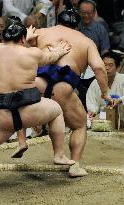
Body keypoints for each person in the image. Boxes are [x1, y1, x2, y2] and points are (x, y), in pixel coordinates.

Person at [0, 21, 74, 196]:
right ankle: (58, 154)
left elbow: (11, 50)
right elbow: (50, 57)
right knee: (56, 110)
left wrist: (22, 38)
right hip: (30, 110)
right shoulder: (32, 54)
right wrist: (59, 50)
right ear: (22, 39)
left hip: (2, 115)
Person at [24, 9, 113, 177]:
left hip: (36, 83)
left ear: (58, 21)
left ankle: (21, 139)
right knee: (79, 125)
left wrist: (28, 41)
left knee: (36, 115)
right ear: (77, 26)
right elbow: (100, 68)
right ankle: (75, 165)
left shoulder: (42, 32)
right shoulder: (86, 41)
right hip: (62, 89)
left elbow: (18, 51)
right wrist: (105, 93)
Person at [86, 50, 124, 126]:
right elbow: (92, 105)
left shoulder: (122, 79)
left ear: (117, 67)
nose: (106, 68)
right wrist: (92, 112)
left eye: (110, 65)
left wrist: (120, 100)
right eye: (104, 65)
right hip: (103, 121)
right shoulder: (95, 83)